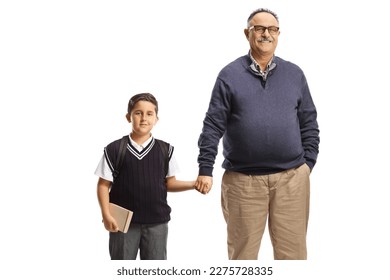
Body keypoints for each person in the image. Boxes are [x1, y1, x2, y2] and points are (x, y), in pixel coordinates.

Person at [195, 8, 320, 260]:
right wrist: (205, 168)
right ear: (247, 33)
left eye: (271, 29)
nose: (266, 34)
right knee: (242, 260)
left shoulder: (294, 74)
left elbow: (309, 122)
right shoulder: (229, 75)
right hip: (243, 183)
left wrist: (307, 164)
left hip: (291, 180)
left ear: (278, 34)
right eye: (259, 28)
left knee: (293, 258)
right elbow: (212, 125)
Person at [95, 93, 198, 260]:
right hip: (122, 224)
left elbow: (170, 184)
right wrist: (106, 215)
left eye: (149, 113)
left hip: (157, 223)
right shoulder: (114, 149)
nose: (144, 118)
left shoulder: (166, 150)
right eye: (138, 113)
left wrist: (193, 184)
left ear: (157, 118)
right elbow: (103, 185)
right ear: (128, 117)